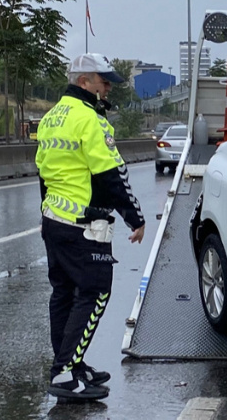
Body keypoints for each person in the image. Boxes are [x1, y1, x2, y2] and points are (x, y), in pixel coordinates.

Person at [36, 54, 146, 402]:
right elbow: (112, 174)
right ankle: (66, 371)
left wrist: (48, 215)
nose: (108, 86)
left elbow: (43, 172)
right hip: (84, 223)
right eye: (104, 80)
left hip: (54, 219)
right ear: (85, 82)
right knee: (96, 292)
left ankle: (70, 364)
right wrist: (135, 216)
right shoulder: (92, 121)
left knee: (64, 293)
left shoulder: (51, 118)